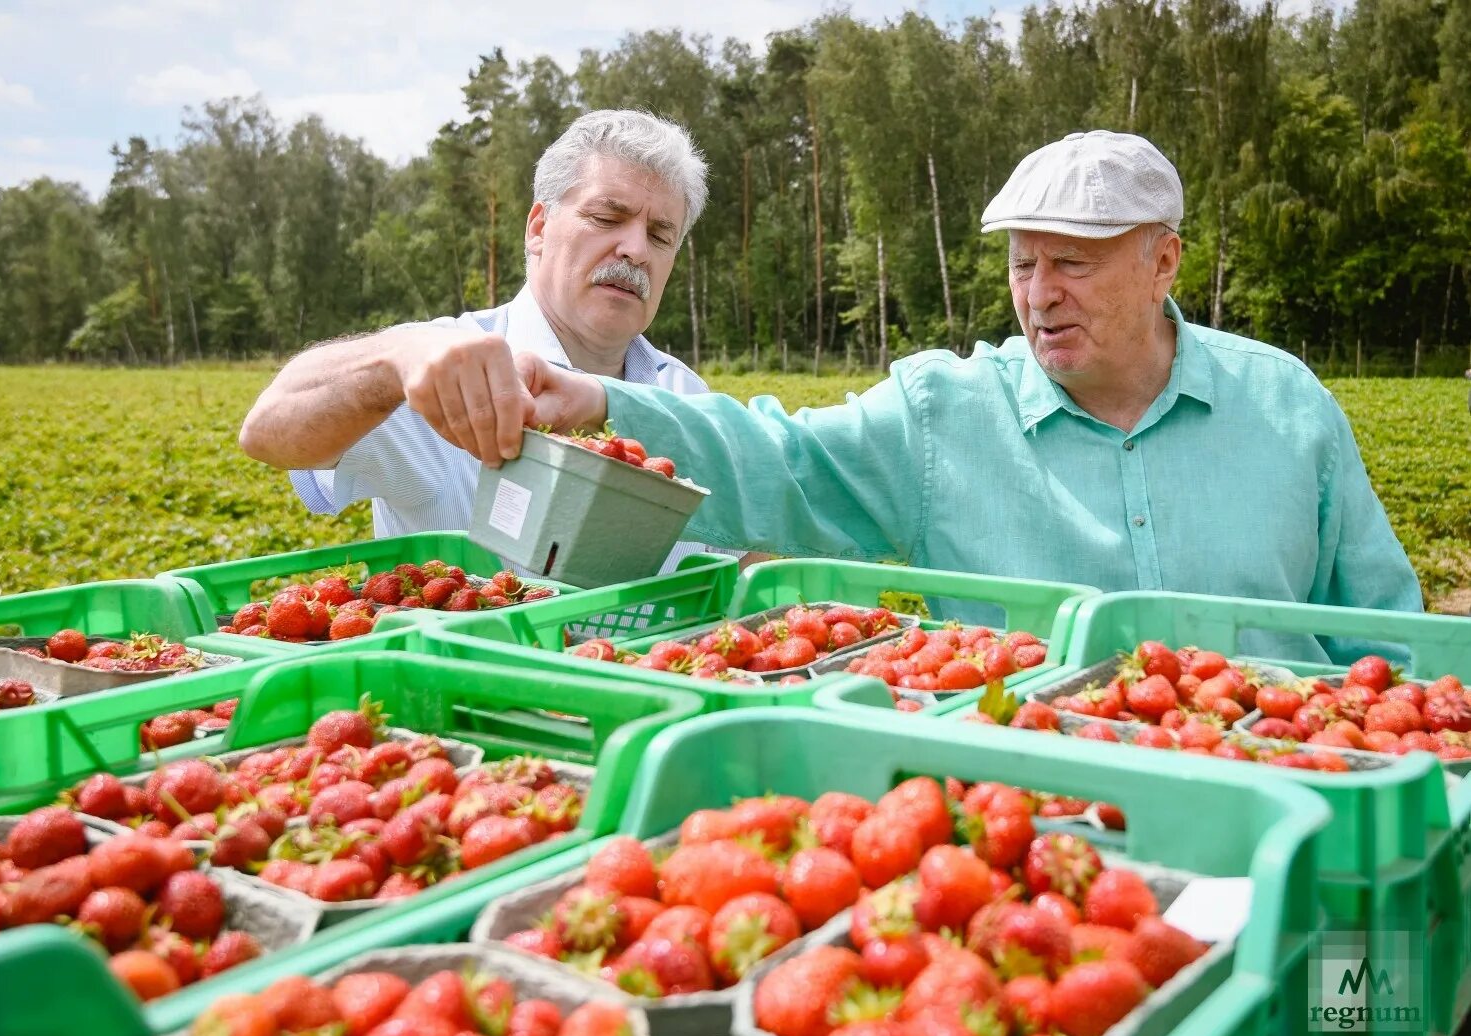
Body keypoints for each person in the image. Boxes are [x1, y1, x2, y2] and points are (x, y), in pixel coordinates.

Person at [397, 130, 1424, 660]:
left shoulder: (1285, 408)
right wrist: (607, 405)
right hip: (1036, 815)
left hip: (1294, 792)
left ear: (1164, 263)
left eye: (1072, 262)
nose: (1038, 295)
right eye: (1022, 265)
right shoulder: (946, 414)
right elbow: (781, 459)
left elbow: (1387, 635)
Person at [240, 109, 741, 571]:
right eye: (607, 218)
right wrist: (391, 360)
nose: (634, 249)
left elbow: (744, 559)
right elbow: (267, 432)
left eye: (659, 235)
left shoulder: (685, 395)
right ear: (539, 228)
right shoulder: (444, 364)